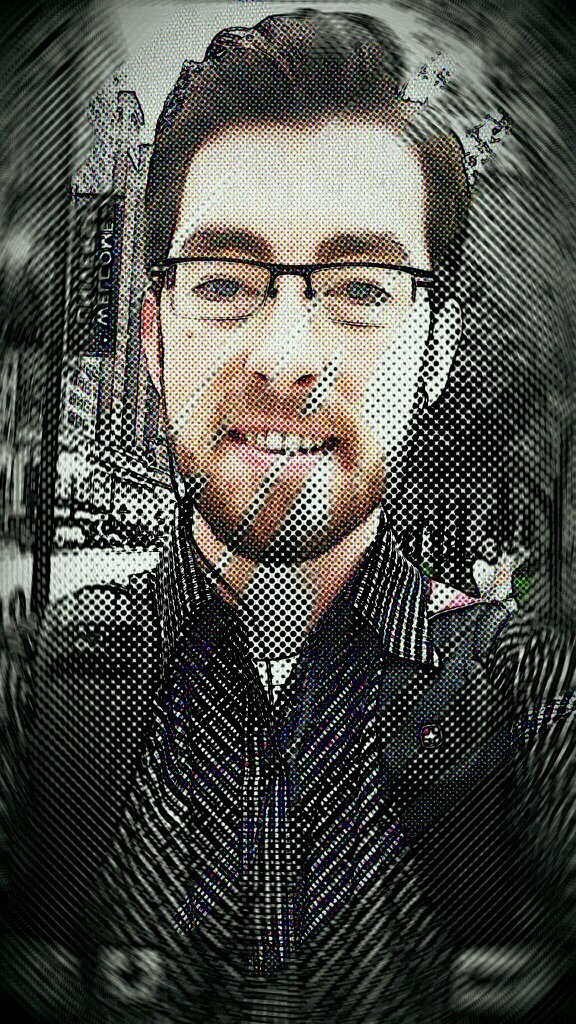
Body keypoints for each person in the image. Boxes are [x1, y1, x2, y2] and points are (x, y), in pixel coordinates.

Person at [1, 9, 574, 1024]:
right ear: (153, 341)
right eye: (224, 282)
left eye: (363, 289)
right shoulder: (32, 689)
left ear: (436, 351)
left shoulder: (534, 697)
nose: (284, 356)